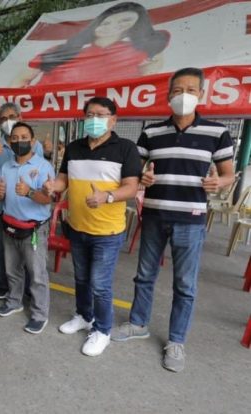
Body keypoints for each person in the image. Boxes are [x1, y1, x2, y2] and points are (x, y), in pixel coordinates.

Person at [111, 68, 235, 372]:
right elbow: (135, 172)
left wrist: (219, 184)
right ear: (168, 95)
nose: (184, 96)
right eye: (178, 90)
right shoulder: (151, 132)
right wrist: (143, 176)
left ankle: (176, 341)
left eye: (191, 90)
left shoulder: (217, 132)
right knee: (144, 275)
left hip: (191, 219)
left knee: (185, 284)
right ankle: (138, 323)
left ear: (201, 94)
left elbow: (229, 175)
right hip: (153, 214)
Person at [43, 97, 141, 356]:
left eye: (100, 114)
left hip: (107, 231)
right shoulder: (74, 148)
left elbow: (131, 187)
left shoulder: (126, 148)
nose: (94, 119)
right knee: (82, 278)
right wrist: (54, 187)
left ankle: (103, 330)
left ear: (113, 119)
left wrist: (107, 196)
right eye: (89, 114)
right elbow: (64, 180)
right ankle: (84, 316)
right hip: (77, 226)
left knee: (100, 284)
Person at [14, 2, 169, 87]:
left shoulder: (141, 53)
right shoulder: (62, 50)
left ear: (135, 26)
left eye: (125, 21)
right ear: (97, 22)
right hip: (46, 118)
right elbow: (20, 81)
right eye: (107, 21)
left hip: (103, 119)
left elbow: (147, 86)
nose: (112, 27)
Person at [0, 122, 54, 334]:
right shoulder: (6, 166)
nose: (20, 141)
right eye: (15, 138)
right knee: (12, 270)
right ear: (10, 142)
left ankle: (39, 314)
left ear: (33, 141)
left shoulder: (44, 167)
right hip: (10, 225)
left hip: (34, 230)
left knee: (37, 274)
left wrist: (28, 192)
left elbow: (47, 199)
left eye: (24, 137)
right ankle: (14, 301)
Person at [0, 102, 44, 300]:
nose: (7, 121)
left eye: (12, 116)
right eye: (3, 118)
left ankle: (28, 289)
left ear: (20, 116)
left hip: (26, 210)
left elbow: (40, 175)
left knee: (28, 254)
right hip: (0, 208)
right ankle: (4, 286)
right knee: (1, 251)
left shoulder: (35, 145)